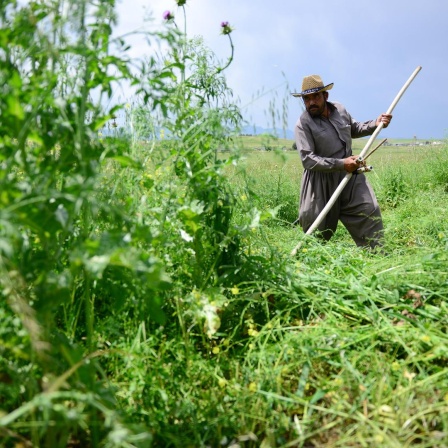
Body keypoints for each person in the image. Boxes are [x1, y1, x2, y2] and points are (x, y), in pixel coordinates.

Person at [292, 74, 392, 249]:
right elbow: (308, 159)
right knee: (315, 230)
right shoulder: (303, 124)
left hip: (350, 176)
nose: (311, 102)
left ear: (325, 96)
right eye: (306, 99)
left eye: (315, 96)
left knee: (369, 209)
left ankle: (377, 257)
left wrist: (375, 123)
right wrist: (341, 163)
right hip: (319, 182)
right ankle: (310, 268)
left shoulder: (340, 110)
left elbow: (354, 128)